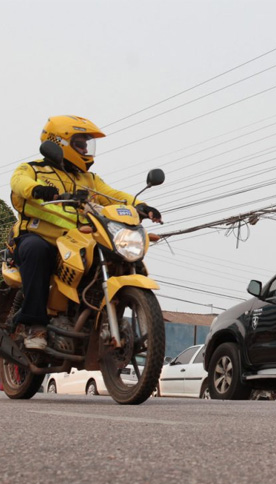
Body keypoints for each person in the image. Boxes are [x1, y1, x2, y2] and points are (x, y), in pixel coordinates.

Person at [9, 115, 162, 350]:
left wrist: (141, 206)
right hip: (40, 237)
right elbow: (19, 183)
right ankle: (34, 326)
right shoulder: (33, 170)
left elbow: (113, 194)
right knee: (37, 252)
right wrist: (40, 190)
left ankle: (100, 316)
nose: (86, 149)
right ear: (59, 142)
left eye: (87, 144)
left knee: (114, 255)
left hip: (77, 239)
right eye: (80, 144)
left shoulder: (88, 179)